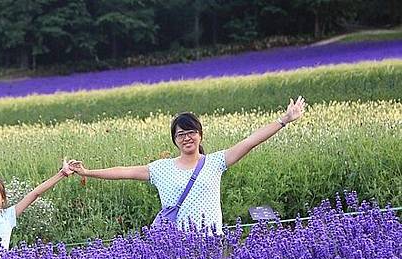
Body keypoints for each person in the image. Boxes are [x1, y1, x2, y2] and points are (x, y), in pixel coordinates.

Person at [69, 96, 306, 234]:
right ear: (174, 139)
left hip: (211, 242)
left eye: (192, 132)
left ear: (200, 135)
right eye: (181, 134)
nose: (187, 138)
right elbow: (124, 172)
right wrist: (87, 171)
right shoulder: (161, 168)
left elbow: (250, 142)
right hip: (175, 246)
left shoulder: (215, 162)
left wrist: (283, 120)